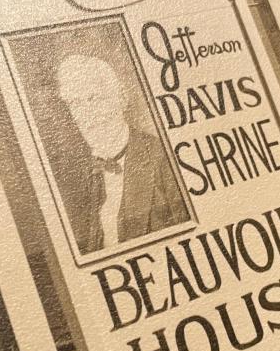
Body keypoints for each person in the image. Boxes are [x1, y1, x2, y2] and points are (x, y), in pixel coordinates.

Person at [54, 54, 190, 256]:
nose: (86, 114)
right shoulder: (77, 175)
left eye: (94, 98)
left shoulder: (164, 157)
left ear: (121, 99)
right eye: (75, 104)